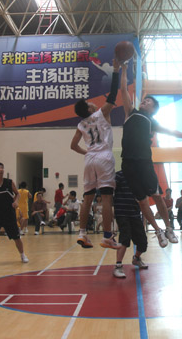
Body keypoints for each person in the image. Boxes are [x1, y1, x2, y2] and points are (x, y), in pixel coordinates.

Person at [119, 60, 182, 248]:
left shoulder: (152, 122)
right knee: (142, 201)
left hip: (144, 161)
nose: (144, 101)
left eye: (148, 101)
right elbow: (123, 90)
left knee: (156, 196)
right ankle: (157, 230)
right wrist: (123, 69)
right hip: (128, 163)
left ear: (153, 109)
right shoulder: (131, 112)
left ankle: (169, 228)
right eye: (144, 99)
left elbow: (171, 132)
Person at [70, 58, 121, 250]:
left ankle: (82, 233)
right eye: (89, 103)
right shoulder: (101, 113)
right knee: (107, 198)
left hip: (90, 159)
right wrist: (116, 70)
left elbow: (73, 146)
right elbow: (113, 94)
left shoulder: (81, 124)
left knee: (87, 198)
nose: (92, 102)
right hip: (104, 157)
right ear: (90, 108)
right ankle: (107, 236)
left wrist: (87, 152)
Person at [113, 171, 148, 278]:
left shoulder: (139, 176)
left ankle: (136, 258)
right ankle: (118, 266)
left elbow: (142, 197)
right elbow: (110, 192)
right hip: (122, 213)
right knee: (124, 239)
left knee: (143, 242)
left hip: (135, 213)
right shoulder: (118, 176)